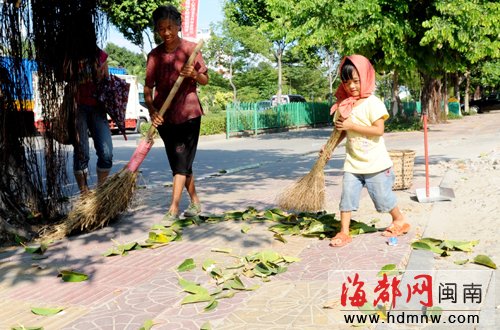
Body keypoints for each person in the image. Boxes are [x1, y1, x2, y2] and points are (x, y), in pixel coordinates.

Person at [326, 55, 410, 247]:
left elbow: (378, 130)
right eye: (347, 83)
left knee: (382, 198)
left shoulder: (373, 103)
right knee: (346, 196)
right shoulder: (344, 104)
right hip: (353, 163)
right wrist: (329, 148)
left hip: (376, 164)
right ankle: (344, 232)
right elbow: (341, 131)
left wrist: (352, 125)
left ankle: (399, 220)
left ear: (365, 77)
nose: (352, 86)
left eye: (356, 81)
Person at [144, 5, 209, 220]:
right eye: (161, 28)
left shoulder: (191, 49)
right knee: (179, 162)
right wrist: (153, 111)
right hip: (165, 116)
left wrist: (194, 74)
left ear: (179, 26)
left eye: (170, 27)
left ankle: (173, 208)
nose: (166, 32)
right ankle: (196, 202)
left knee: (180, 161)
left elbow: (205, 80)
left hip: (189, 114)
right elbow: (148, 88)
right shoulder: (154, 56)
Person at [73, 46, 113, 194]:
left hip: (98, 107)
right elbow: (62, 76)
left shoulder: (100, 55)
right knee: (82, 153)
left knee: (107, 154)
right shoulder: (71, 56)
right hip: (78, 108)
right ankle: (84, 193)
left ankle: (100, 192)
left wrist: (101, 73)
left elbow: (107, 80)